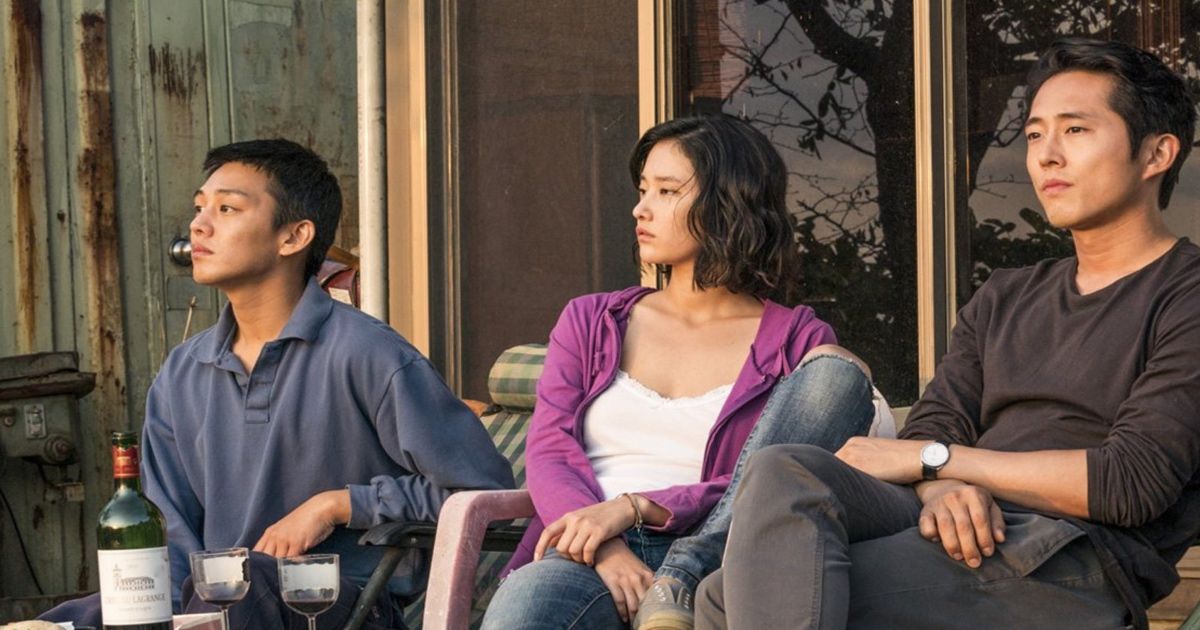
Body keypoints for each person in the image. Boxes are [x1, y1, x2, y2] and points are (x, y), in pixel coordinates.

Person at [695, 38, 1200, 630]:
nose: (1046, 156)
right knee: (785, 470)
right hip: (958, 522)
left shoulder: (1184, 294)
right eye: (1035, 134)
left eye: (1076, 131)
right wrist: (942, 486)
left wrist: (941, 462)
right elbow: (937, 423)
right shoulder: (1007, 294)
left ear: (1156, 153)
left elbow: (1128, 484)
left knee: (725, 599)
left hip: (1072, 555)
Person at [41, 139, 514, 629]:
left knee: (250, 585)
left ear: (293, 237)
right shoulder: (182, 372)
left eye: (227, 208)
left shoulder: (370, 355)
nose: (199, 225)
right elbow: (172, 537)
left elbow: (483, 494)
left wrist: (340, 504)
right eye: (200, 208)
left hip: (340, 609)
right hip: (212, 604)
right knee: (69, 621)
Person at [482, 115, 894, 630]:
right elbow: (549, 448)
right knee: (529, 610)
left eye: (667, 191)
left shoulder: (798, 342)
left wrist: (639, 507)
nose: (640, 208)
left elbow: (770, 479)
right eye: (642, 189)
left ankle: (676, 581)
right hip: (587, 550)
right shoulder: (592, 320)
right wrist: (605, 539)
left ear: (729, 204)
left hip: (720, 557)